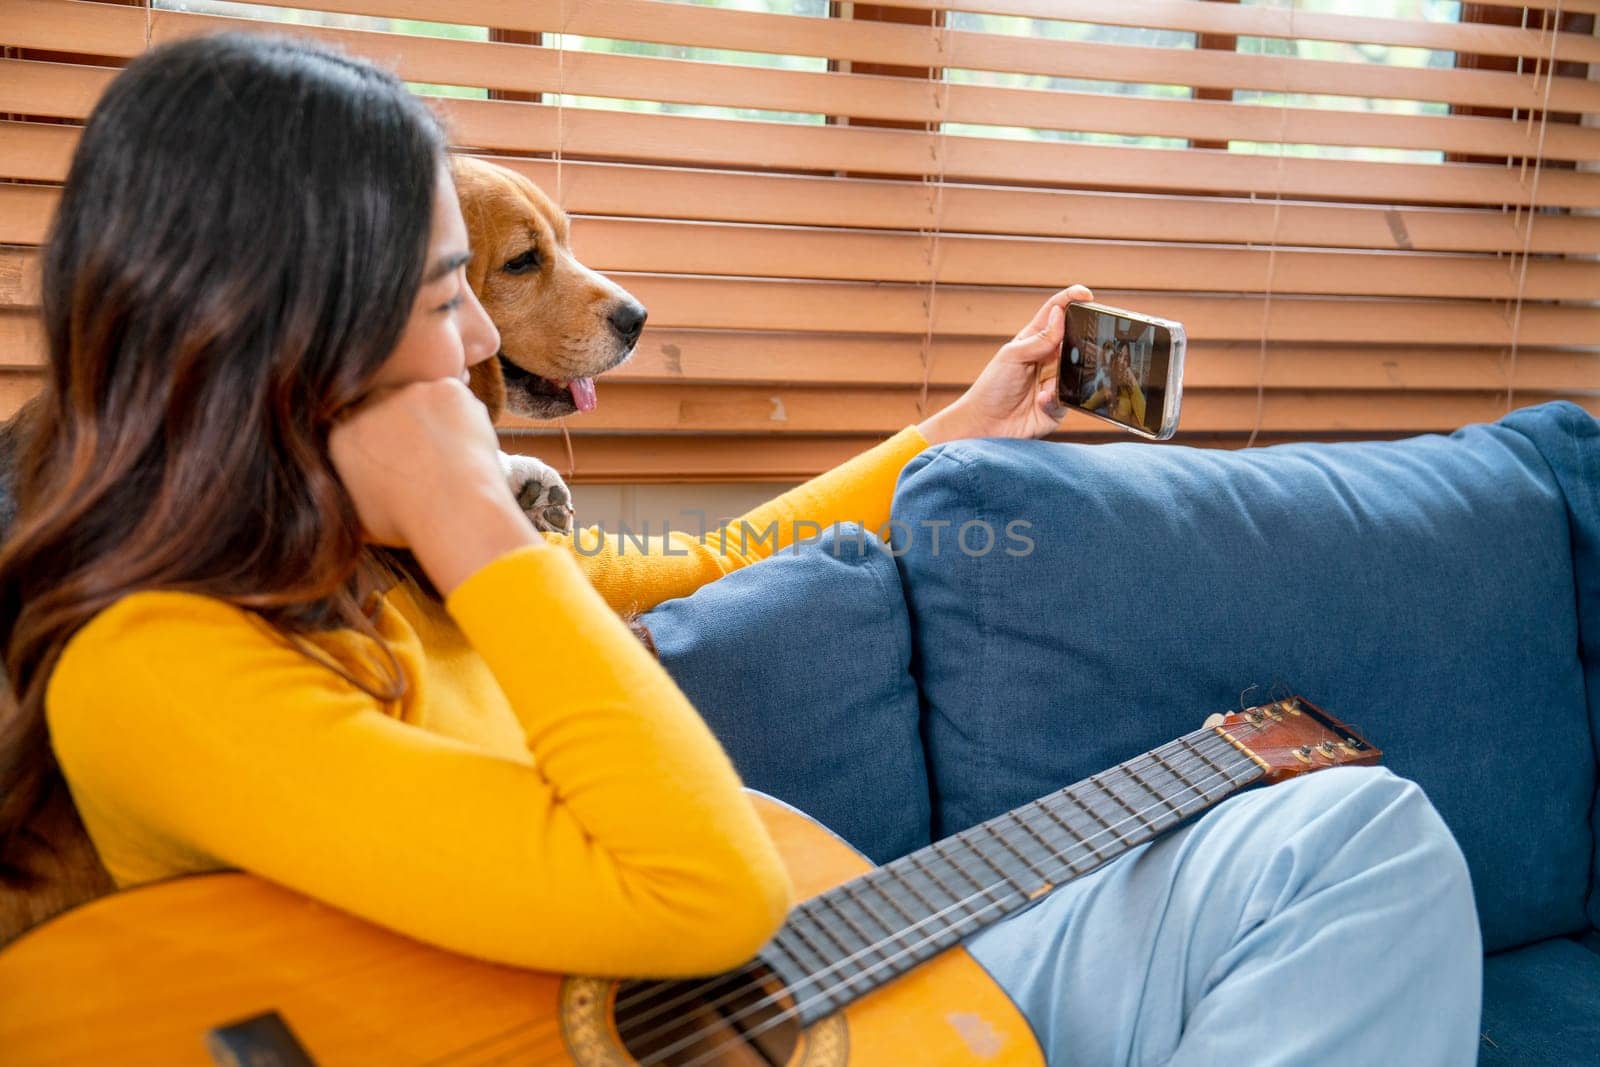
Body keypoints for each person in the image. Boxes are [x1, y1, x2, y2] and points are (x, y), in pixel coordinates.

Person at [0, 33, 1482, 1064]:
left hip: (735, 988)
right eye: (446, 295)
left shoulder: (378, 566)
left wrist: (961, 429)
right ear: (280, 339)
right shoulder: (159, 664)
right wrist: (470, 517)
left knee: (1359, 836)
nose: (469, 346)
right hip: (683, 958)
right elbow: (701, 887)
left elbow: (719, 560)